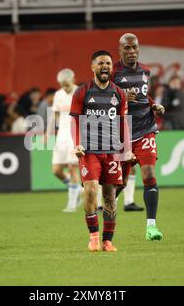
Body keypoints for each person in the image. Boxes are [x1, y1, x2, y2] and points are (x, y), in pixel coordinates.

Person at [70, 50, 135, 252]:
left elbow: (124, 123)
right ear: (93, 67)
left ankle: (108, 241)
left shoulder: (119, 94)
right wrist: (77, 143)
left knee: (110, 196)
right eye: (100, 63)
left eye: (108, 63)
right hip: (89, 150)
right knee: (90, 191)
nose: (105, 66)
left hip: (112, 151)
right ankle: (94, 237)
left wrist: (127, 150)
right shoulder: (82, 91)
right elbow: (74, 120)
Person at [112, 33, 165, 241]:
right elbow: (102, 99)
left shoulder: (145, 71)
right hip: (122, 133)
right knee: (119, 184)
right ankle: (104, 222)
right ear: (120, 50)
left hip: (145, 129)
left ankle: (151, 227)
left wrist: (153, 104)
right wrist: (122, 98)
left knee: (149, 175)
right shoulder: (113, 72)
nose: (132, 52)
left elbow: (144, 95)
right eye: (127, 48)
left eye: (134, 48)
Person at [46, 69, 81, 212]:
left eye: (66, 84)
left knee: (73, 168)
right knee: (57, 170)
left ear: (72, 80)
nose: (64, 87)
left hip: (75, 135)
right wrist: (48, 133)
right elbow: (54, 115)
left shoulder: (80, 93)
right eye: (62, 84)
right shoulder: (59, 95)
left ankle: (72, 204)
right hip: (61, 136)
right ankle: (77, 189)